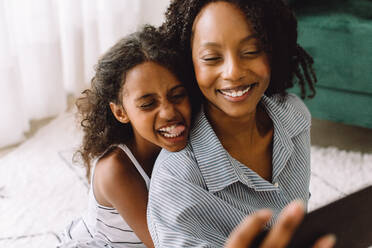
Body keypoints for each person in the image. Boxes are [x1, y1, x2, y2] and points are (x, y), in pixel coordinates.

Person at [147, 0, 324, 247]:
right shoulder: (176, 179)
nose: (233, 72)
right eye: (211, 58)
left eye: (251, 51)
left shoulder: (293, 116)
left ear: (273, 51)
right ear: (189, 64)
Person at [57, 25, 192, 248]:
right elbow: (165, 242)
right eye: (148, 104)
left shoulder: (193, 133)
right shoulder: (115, 170)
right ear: (120, 112)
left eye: (177, 95)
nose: (169, 112)